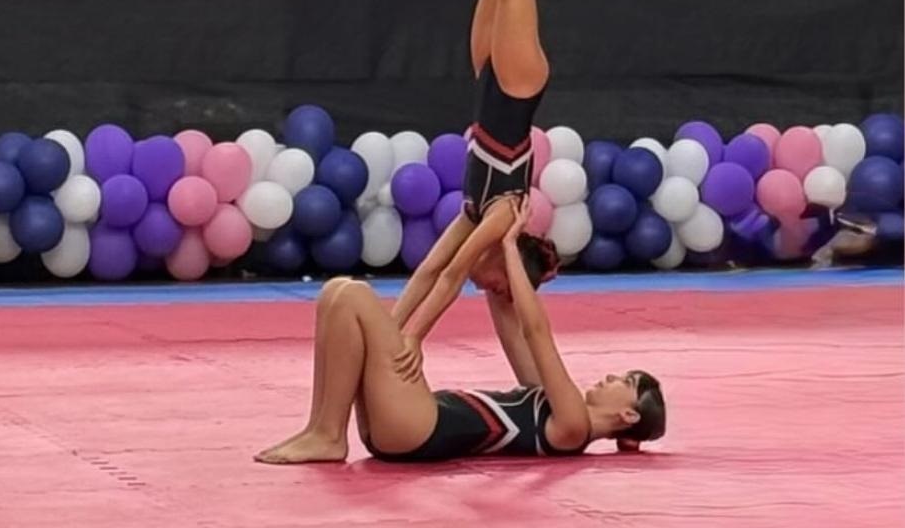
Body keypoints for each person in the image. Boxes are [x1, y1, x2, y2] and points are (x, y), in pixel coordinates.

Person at [255, 197, 666, 464]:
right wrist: (488, 213)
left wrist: (509, 246)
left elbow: (536, 331)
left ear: (628, 414)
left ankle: (329, 435)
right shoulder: (553, 401)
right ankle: (319, 427)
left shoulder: (573, 425)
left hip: (421, 427)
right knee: (336, 293)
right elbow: (508, 317)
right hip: (407, 423)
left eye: (625, 381)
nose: (611, 376)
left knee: (354, 296)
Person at [389, 0, 562, 382]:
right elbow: (450, 275)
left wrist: (393, 332)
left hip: (489, 78)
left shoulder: (474, 214)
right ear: (510, 275)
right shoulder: (503, 214)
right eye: (493, 286)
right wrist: (410, 339)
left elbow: (432, 269)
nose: (482, 287)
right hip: (516, 88)